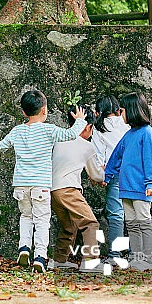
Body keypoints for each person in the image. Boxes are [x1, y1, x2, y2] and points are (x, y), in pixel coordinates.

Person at [0, 90, 86, 273]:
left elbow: (1, 146)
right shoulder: (49, 130)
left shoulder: (17, 131)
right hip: (41, 185)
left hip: (21, 184)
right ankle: (40, 257)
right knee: (42, 220)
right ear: (44, 110)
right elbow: (70, 135)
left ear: (23, 112)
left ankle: (23, 248)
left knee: (26, 217)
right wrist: (80, 121)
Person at [104, 92, 152, 271]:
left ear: (133, 110)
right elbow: (115, 156)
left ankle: (148, 260)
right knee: (132, 225)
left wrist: (151, 183)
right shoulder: (129, 135)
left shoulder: (146, 133)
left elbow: (151, 159)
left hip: (141, 189)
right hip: (126, 189)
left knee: (143, 222)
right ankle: (136, 258)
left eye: (123, 110)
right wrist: (107, 175)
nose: (121, 114)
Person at [50, 105, 106, 273]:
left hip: (53, 190)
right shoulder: (86, 146)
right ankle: (90, 262)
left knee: (69, 225)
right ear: (88, 126)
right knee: (90, 223)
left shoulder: (58, 140)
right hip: (69, 189)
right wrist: (102, 174)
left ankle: (59, 260)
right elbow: (96, 176)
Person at [92, 96, 130, 263]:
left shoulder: (99, 128)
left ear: (99, 111)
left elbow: (99, 154)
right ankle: (129, 249)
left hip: (113, 172)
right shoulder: (126, 123)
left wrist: (102, 176)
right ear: (117, 109)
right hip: (132, 172)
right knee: (130, 210)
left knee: (115, 213)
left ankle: (115, 254)